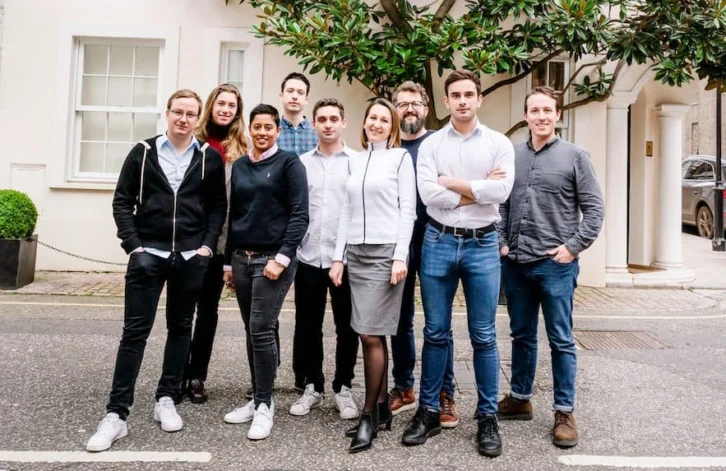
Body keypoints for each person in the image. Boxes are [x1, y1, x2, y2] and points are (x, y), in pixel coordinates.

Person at [87, 89, 227, 452]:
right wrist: (134, 246)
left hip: (190, 257)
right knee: (134, 333)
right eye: (178, 112)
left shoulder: (209, 157)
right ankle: (116, 414)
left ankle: (166, 398)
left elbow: (216, 207)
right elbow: (122, 201)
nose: (183, 119)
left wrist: (206, 247)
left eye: (190, 114)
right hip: (148, 255)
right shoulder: (143, 152)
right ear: (167, 113)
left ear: (198, 118)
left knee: (180, 329)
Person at [401, 70, 514, 458]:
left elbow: (502, 191)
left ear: (479, 99)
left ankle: (487, 417)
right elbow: (427, 194)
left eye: (469, 94)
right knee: (435, 332)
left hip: (483, 245)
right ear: (446, 101)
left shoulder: (499, 143)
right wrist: (478, 191)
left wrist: (451, 183)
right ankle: (429, 411)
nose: (462, 100)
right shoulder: (432, 145)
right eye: (456, 95)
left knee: (484, 335)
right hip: (438, 241)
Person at [497, 86, 604, 448]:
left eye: (547, 110)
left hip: (555, 265)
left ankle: (564, 411)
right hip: (517, 263)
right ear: (525, 116)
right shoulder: (512, 156)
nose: (541, 116)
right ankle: (520, 398)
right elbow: (502, 205)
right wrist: (501, 241)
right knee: (521, 335)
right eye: (535, 110)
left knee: (560, 339)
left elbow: (595, 210)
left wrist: (572, 249)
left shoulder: (576, 156)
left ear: (558, 115)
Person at [330, 98, 416, 453]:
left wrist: (400, 256)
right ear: (364, 123)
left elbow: (408, 210)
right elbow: (346, 211)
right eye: (372, 118)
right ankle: (381, 410)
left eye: (384, 119)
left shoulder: (400, 158)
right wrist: (338, 258)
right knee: (371, 332)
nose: (377, 123)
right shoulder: (354, 160)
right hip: (357, 253)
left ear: (392, 126)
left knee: (369, 333)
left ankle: (368, 416)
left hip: (385, 254)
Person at [222, 104, 309, 441]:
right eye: (256, 127)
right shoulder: (240, 166)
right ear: (250, 129)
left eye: (268, 127)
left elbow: (300, 215)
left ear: (277, 131)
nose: (262, 132)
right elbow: (234, 214)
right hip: (241, 259)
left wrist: (282, 258)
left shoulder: (289, 163)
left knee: (261, 328)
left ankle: (264, 404)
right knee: (252, 329)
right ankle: (259, 396)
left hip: (273, 260)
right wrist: (228, 263)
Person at [390, 81, 459, 428]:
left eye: (415, 103)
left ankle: (445, 392)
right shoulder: (389, 147)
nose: (409, 109)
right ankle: (404, 387)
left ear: (426, 108)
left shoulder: (440, 144)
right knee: (399, 319)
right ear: (394, 109)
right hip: (397, 245)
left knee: (438, 322)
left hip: (436, 240)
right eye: (402, 104)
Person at [290, 98, 360, 420]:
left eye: (334, 118)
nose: (328, 124)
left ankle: (343, 387)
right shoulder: (301, 163)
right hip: (308, 257)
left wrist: (344, 256)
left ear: (343, 122)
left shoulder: (357, 163)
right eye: (322, 119)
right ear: (314, 124)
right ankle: (313, 386)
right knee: (308, 325)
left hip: (344, 258)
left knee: (347, 327)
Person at [183, 84, 248, 404]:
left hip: (220, 241)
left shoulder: (241, 148)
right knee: (183, 311)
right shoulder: (191, 141)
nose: (225, 109)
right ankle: (176, 374)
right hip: (187, 238)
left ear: (237, 112)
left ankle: (197, 375)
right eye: (221, 103)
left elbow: (240, 203)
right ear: (211, 106)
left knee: (208, 311)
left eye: (232, 105)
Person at [278, 72, 319, 157]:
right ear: (281, 96)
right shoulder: (272, 132)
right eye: (290, 91)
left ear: (306, 100)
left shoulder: (317, 132)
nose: (295, 96)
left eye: (300, 92)